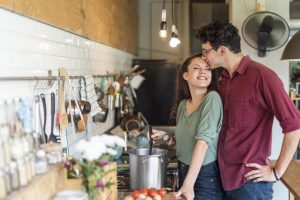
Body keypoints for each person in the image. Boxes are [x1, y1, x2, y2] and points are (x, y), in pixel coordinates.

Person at [196, 21, 300, 200]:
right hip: (221, 179)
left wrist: (277, 172)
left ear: (222, 50)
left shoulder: (263, 76)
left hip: (251, 185)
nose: (203, 56)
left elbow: (294, 126)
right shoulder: (222, 80)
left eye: (206, 51)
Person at [151, 53, 224, 200]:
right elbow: (186, 143)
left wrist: (188, 184)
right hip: (184, 171)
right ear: (186, 75)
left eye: (207, 69)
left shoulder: (212, 99)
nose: (203, 71)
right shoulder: (183, 105)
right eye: (197, 68)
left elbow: (202, 143)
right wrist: (166, 138)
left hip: (204, 176)